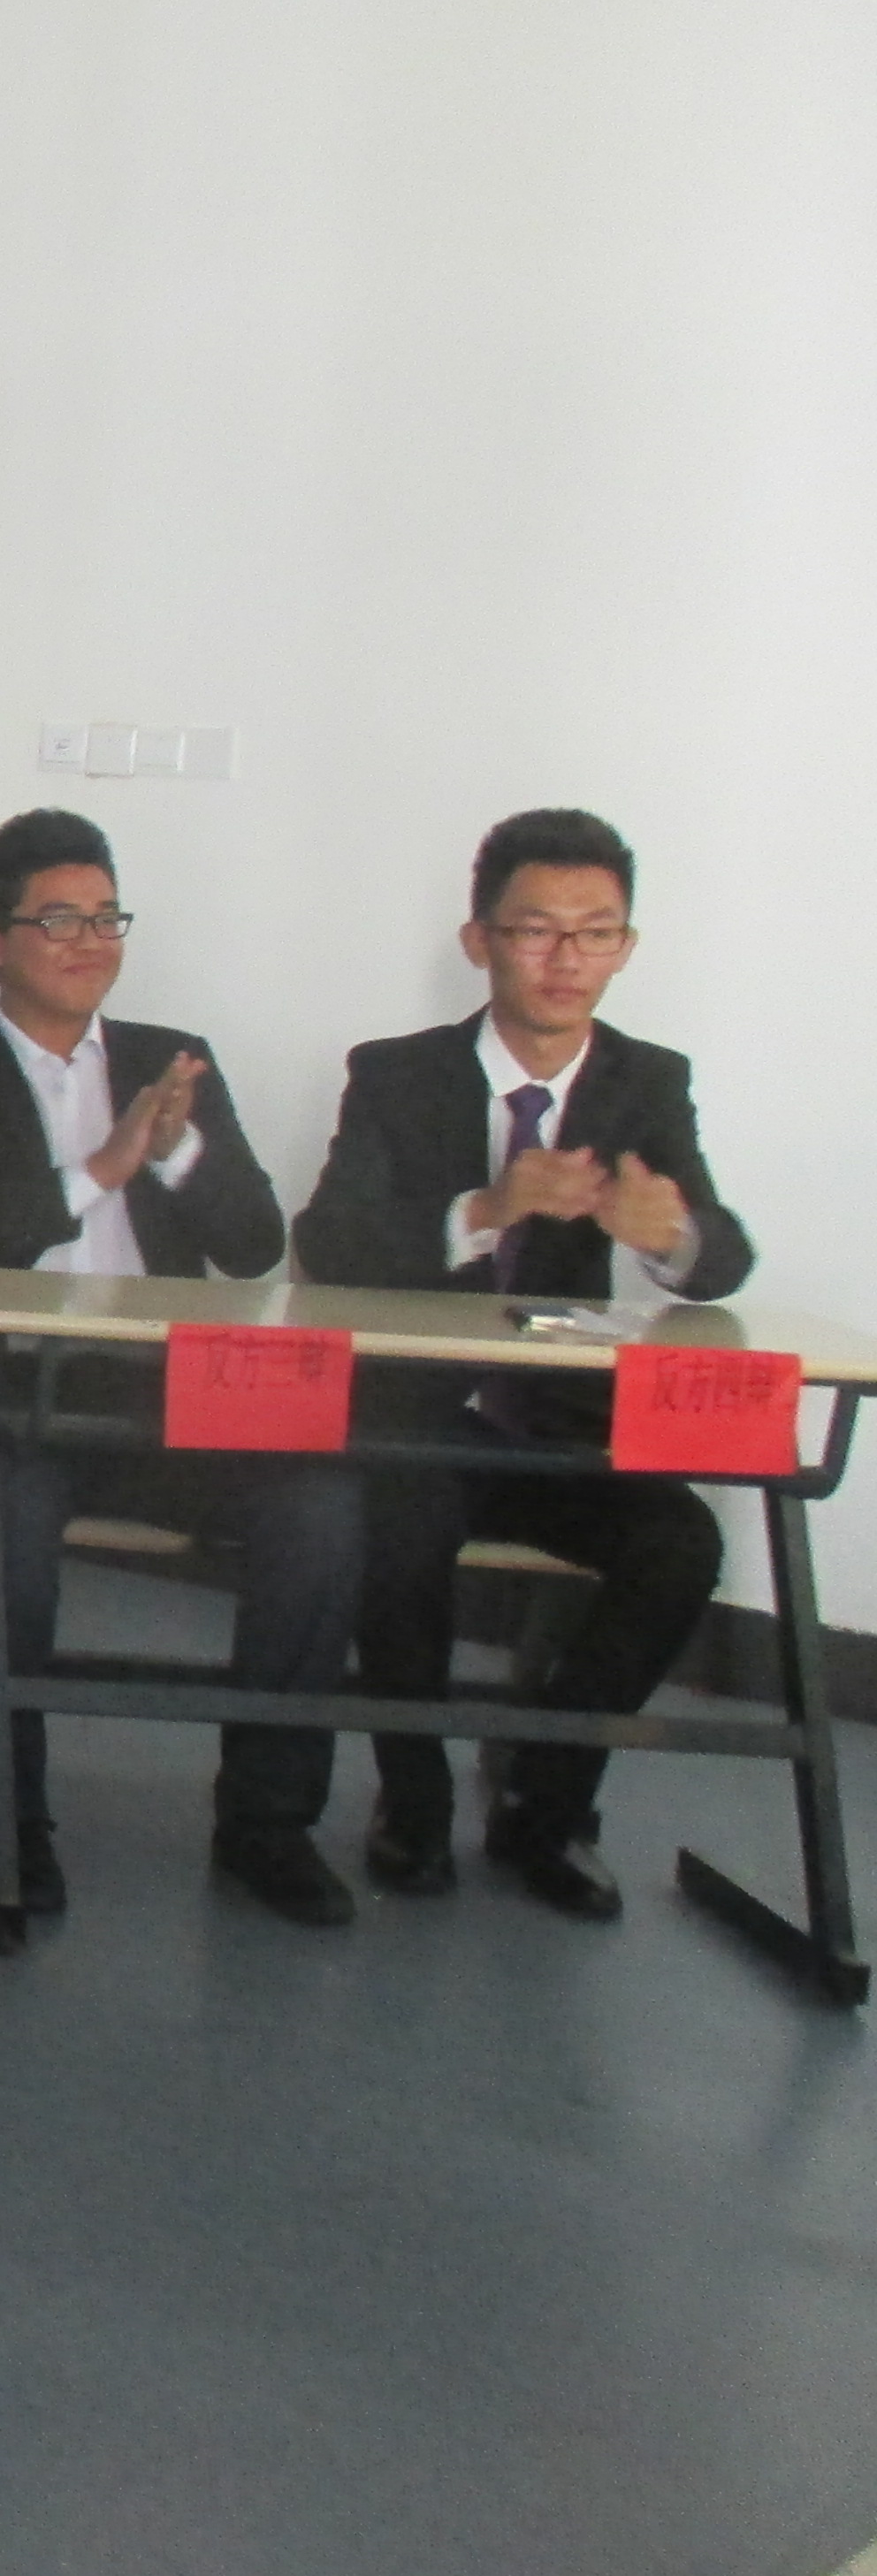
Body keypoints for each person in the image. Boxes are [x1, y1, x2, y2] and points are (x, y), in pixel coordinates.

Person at [0, 810, 367, 1926]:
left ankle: (268, 1822)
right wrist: (102, 1167)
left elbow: (252, 1246)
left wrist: (178, 1148)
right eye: (60, 920)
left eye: (107, 918)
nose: (90, 941)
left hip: (165, 1394)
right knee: (4, 1518)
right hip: (9, 1396)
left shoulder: (170, 1061)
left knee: (318, 1501)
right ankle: (10, 1819)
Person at [293, 809, 752, 1921]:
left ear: (626, 947)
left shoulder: (647, 1080)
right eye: (537, 930)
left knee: (682, 1543)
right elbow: (328, 1244)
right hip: (424, 1417)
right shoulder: (399, 1074)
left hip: (558, 1427)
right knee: (400, 1521)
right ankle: (412, 1800)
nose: (565, 959)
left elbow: (724, 1255)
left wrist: (671, 1235)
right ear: (480, 941)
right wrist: (486, 1208)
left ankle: (547, 1805)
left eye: (595, 934)